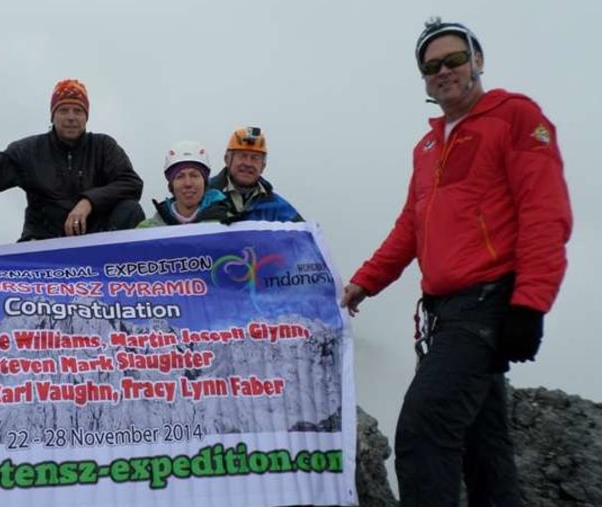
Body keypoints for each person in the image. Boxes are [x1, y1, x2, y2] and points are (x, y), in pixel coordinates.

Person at [340, 18, 572, 506]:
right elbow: (411, 226)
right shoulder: (427, 146)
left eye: (453, 60)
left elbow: (545, 213)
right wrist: (364, 284)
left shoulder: (515, 118)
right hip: (446, 316)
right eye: (431, 66)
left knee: (423, 432)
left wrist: (530, 304)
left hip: (487, 307)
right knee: (485, 451)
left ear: (477, 61)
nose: (442, 71)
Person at [0, 78, 145, 241]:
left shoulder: (103, 146)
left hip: (96, 242)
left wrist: (88, 202)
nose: (71, 117)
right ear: (52, 115)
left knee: (130, 210)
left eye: (78, 111)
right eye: (63, 110)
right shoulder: (28, 151)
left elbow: (132, 183)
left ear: (86, 116)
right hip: (43, 243)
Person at [209, 126, 303, 223]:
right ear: (227, 159)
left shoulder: (276, 207)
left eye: (255, 158)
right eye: (242, 156)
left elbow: (302, 234)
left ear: (263, 166)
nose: (248, 163)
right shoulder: (203, 197)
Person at [137, 141, 229, 227]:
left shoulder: (231, 222)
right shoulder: (149, 229)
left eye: (194, 175)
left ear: (205, 182)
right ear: (171, 184)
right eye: (180, 177)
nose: (188, 183)